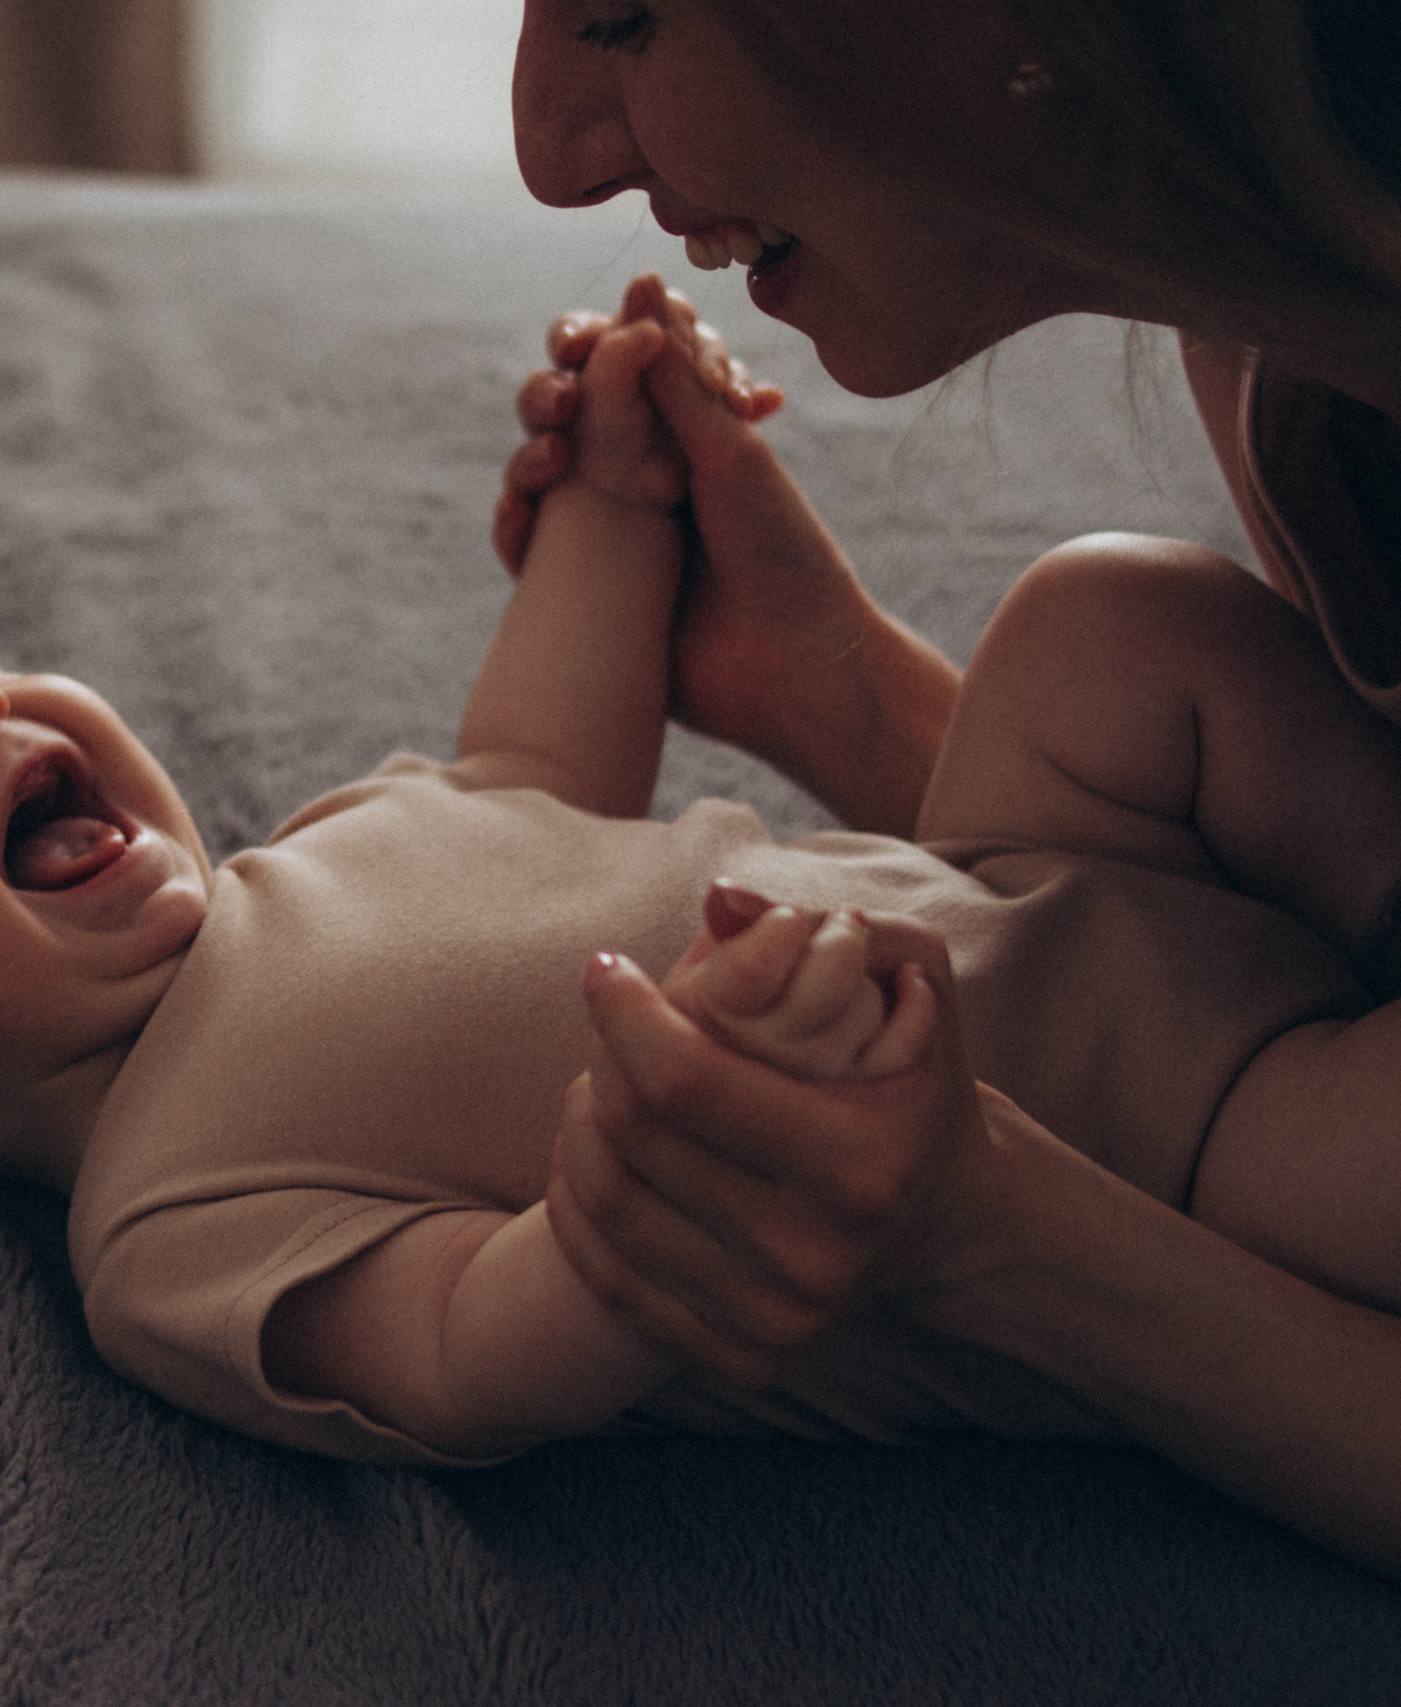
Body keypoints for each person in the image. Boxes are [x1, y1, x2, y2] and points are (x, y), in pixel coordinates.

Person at [0, 300, 1399, 1484]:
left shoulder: (310, 860)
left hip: (1028, 877)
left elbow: (528, 772)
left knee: (1099, 620)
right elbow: (466, 1354)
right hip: (1168, 1150)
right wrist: (637, 1185)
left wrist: (617, 490)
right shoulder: (170, 1228)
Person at [495, 1, 1401, 1572]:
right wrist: (835, 690)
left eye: (625, 20)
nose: (550, 155)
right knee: (1102, 625)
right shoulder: (1277, 312)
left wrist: (1002, 1245)